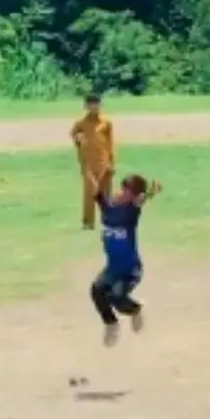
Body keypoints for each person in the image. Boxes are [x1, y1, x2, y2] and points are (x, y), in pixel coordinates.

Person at [89, 172, 161, 348]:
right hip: (112, 270)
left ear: (133, 198)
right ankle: (111, 324)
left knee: (116, 298)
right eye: (121, 189)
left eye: (127, 192)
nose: (120, 193)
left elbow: (140, 200)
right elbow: (94, 187)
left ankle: (136, 310)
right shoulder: (107, 208)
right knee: (96, 291)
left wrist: (151, 193)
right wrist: (83, 156)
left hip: (130, 270)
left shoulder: (130, 213)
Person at [70, 93, 116, 230]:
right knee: (91, 192)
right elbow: (74, 136)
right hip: (88, 163)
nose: (94, 108)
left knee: (106, 193)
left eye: (97, 105)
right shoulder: (80, 124)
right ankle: (88, 222)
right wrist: (78, 138)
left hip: (104, 162)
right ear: (86, 106)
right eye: (91, 105)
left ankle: (108, 221)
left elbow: (111, 143)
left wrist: (112, 162)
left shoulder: (106, 123)